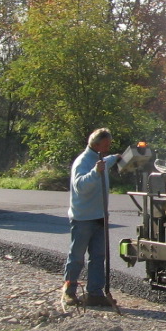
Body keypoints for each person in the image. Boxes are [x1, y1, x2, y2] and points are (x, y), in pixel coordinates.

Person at [62, 128, 120, 307]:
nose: (108, 147)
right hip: (83, 218)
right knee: (77, 256)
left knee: (98, 257)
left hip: (99, 216)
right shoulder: (83, 162)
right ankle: (69, 292)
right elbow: (80, 186)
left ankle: (94, 293)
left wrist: (117, 157)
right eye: (106, 144)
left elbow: (108, 161)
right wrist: (95, 172)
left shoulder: (100, 158)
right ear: (96, 144)